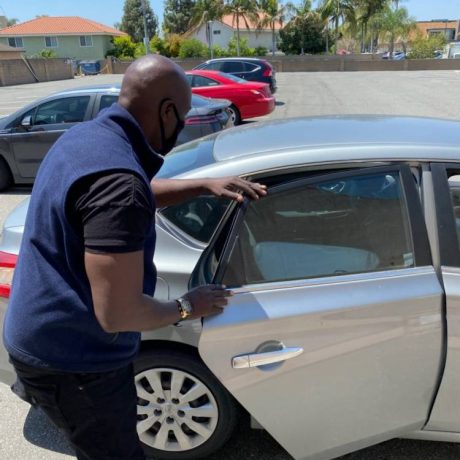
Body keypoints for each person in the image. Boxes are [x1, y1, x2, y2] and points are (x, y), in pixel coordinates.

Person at [3, 55, 266, 460]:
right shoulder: (118, 186)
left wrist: (202, 185)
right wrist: (186, 306)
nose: (180, 129)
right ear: (166, 111)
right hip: (75, 363)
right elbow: (119, 314)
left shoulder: (86, 138)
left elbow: (127, 192)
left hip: (38, 337)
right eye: (181, 118)